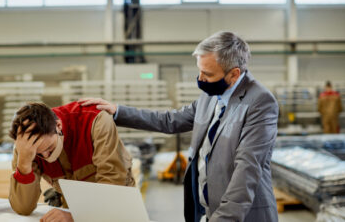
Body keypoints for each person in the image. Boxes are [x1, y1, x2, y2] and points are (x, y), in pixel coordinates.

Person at [79, 31, 279, 222]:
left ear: (234, 74)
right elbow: (170, 120)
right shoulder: (211, 97)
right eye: (199, 71)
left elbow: (246, 170)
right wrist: (118, 112)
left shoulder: (260, 102)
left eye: (207, 74)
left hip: (243, 215)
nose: (200, 79)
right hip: (213, 211)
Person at [8, 102, 135, 222]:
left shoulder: (95, 121)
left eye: (49, 148)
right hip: (72, 211)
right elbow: (23, 208)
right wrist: (24, 164)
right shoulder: (25, 146)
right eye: (39, 155)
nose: (46, 156)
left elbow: (113, 189)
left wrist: (77, 216)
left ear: (58, 126)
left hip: (116, 212)